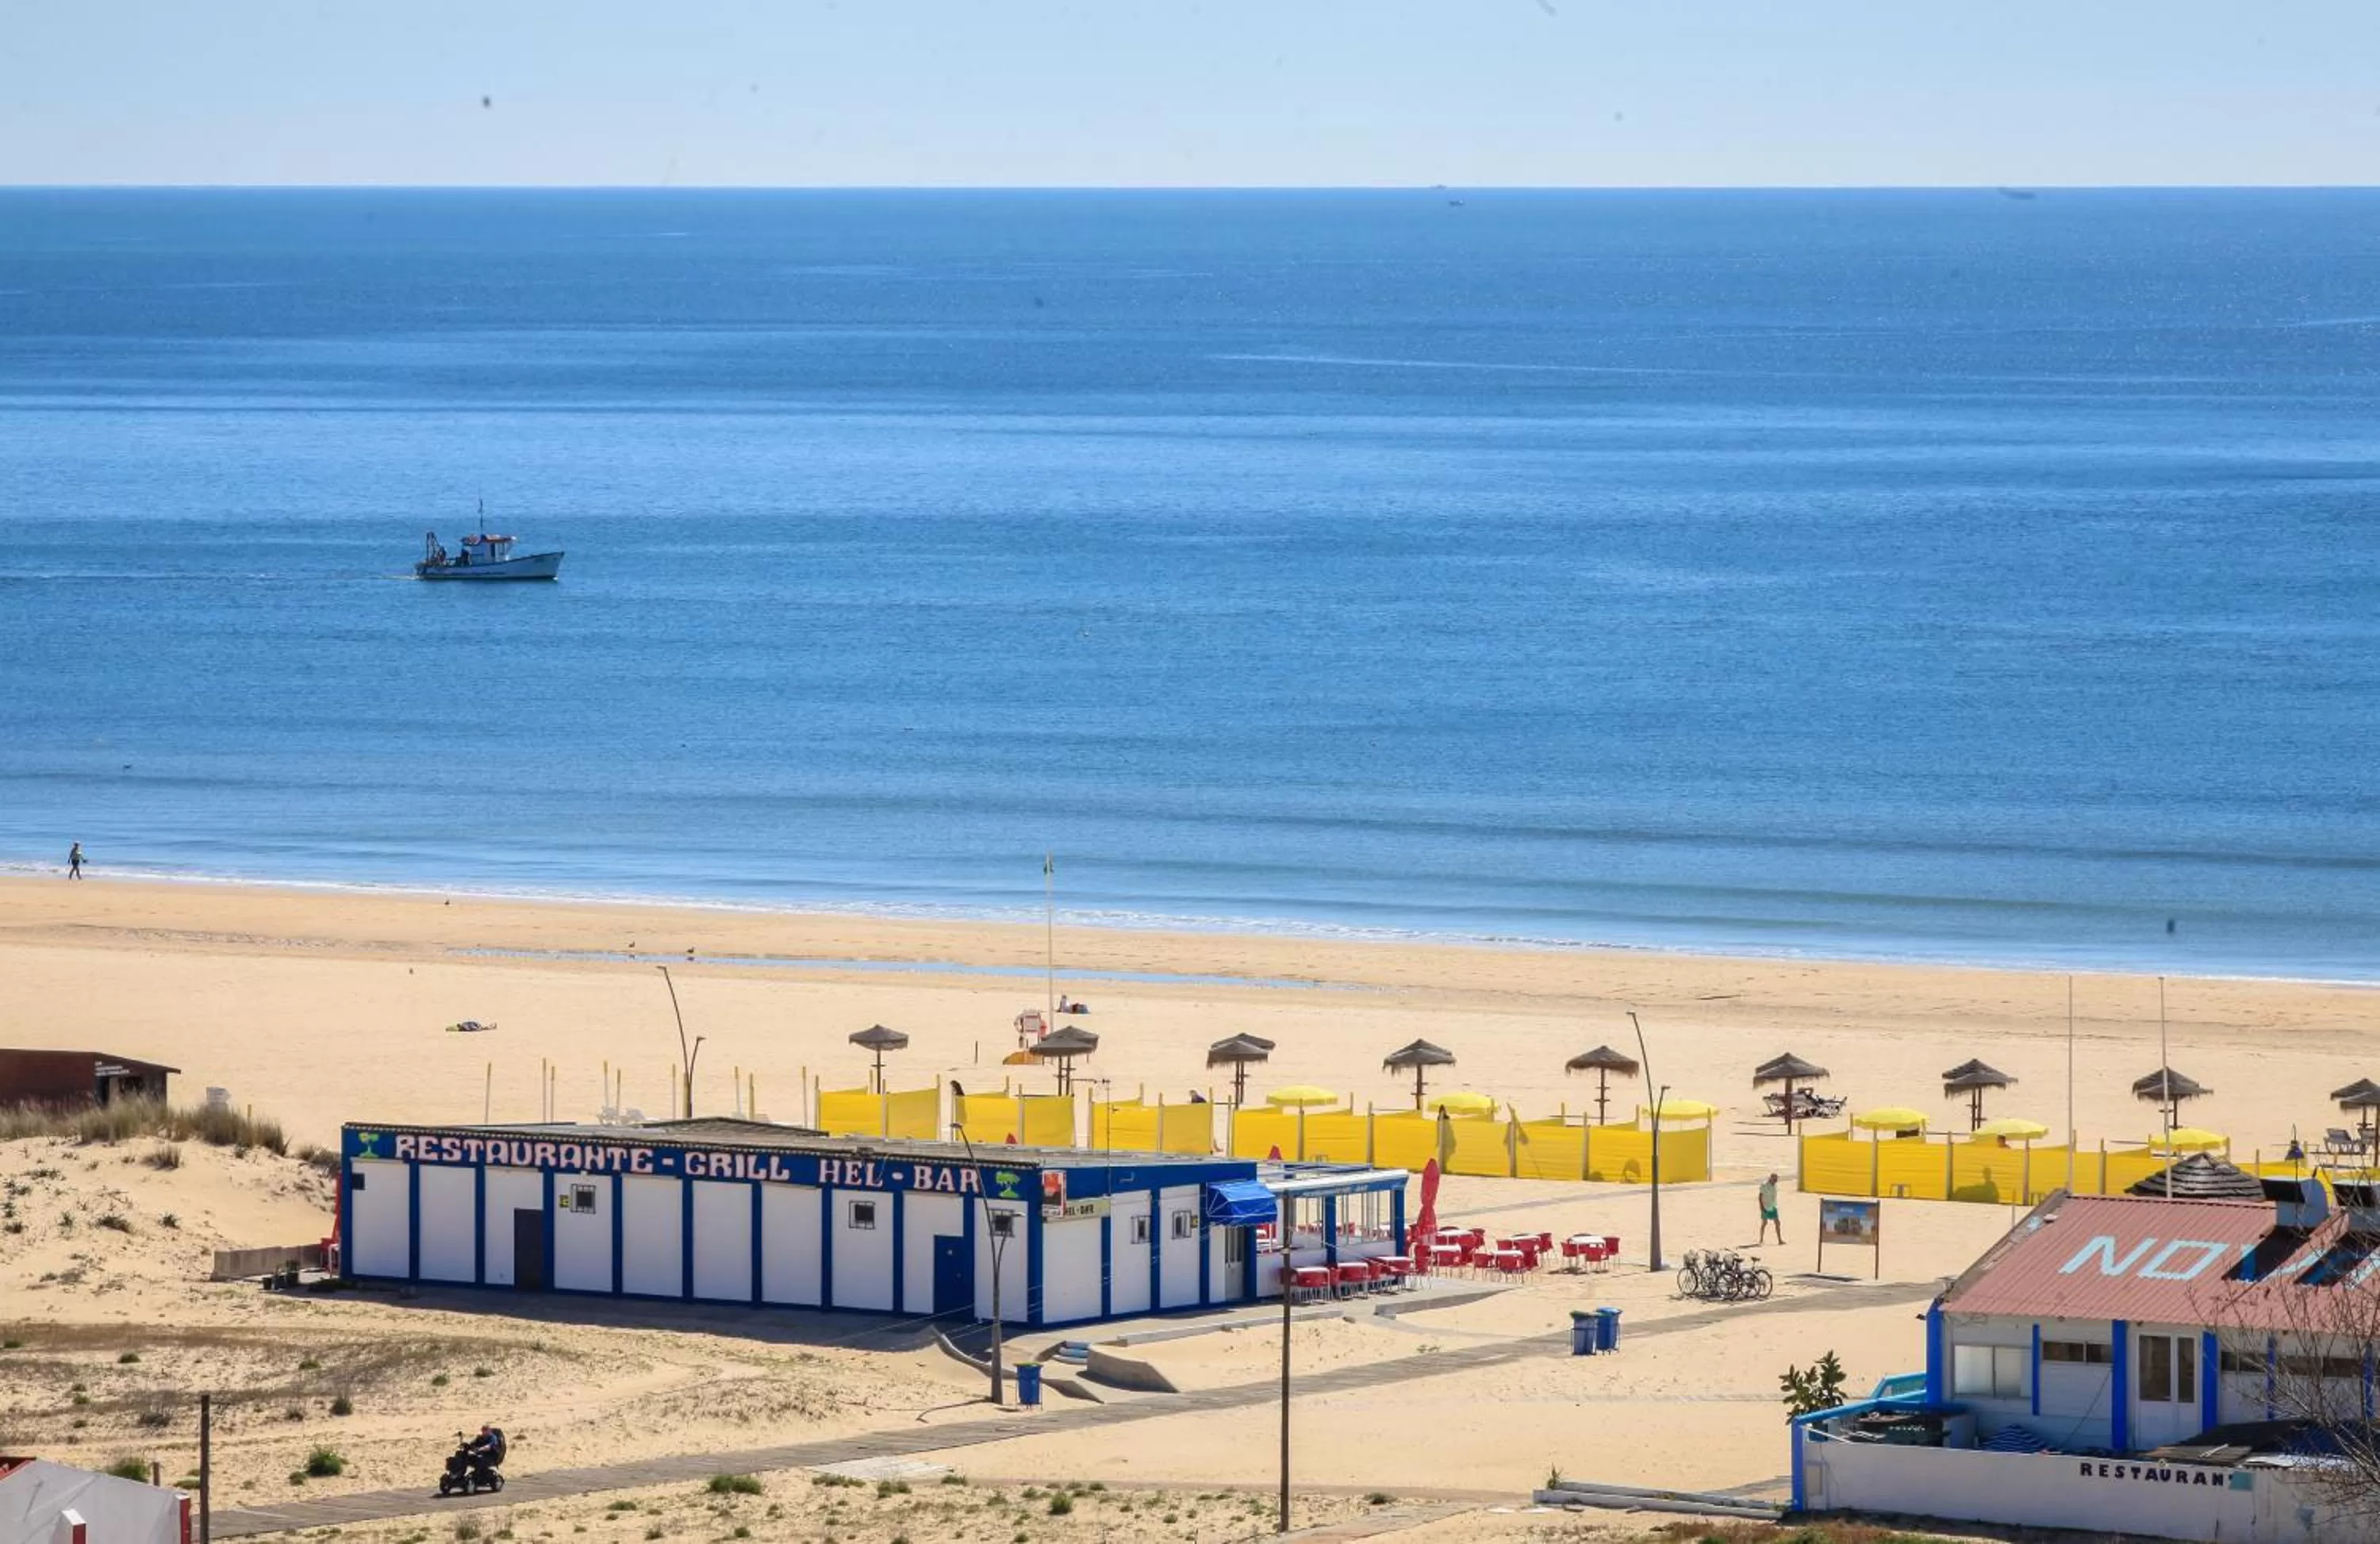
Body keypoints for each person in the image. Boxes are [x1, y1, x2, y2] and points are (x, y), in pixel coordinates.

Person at [1757, 1172, 1785, 1246]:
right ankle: (1761, 1239)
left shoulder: (1775, 1186)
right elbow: (1760, 1197)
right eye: (1775, 1179)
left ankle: (1780, 1240)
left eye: (1776, 1179)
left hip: (1773, 1206)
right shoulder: (1764, 1185)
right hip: (1765, 1206)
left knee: (1777, 1223)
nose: (1776, 1181)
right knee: (1764, 1223)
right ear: (1771, 1178)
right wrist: (1761, 1207)